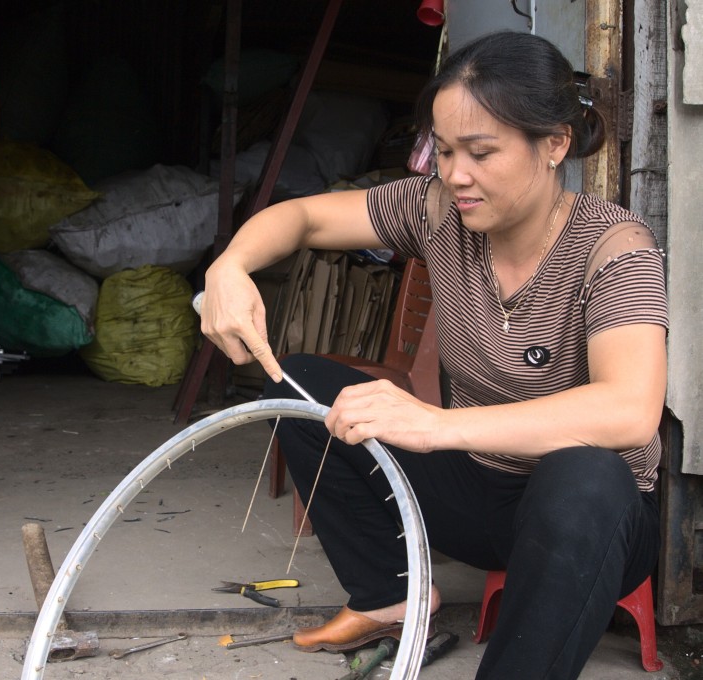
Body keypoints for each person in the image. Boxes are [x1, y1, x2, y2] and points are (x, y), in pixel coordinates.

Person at [199, 31, 666, 680]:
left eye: (481, 152)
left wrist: (437, 425)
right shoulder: (436, 210)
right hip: (474, 491)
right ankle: (389, 599)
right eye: (444, 151)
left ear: (554, 144)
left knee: (586, 478)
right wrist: (231, 267)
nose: (455, 174)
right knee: (300, 386)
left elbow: (629, 411)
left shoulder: (615, 249)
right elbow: (303, 218)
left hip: (588, 521)